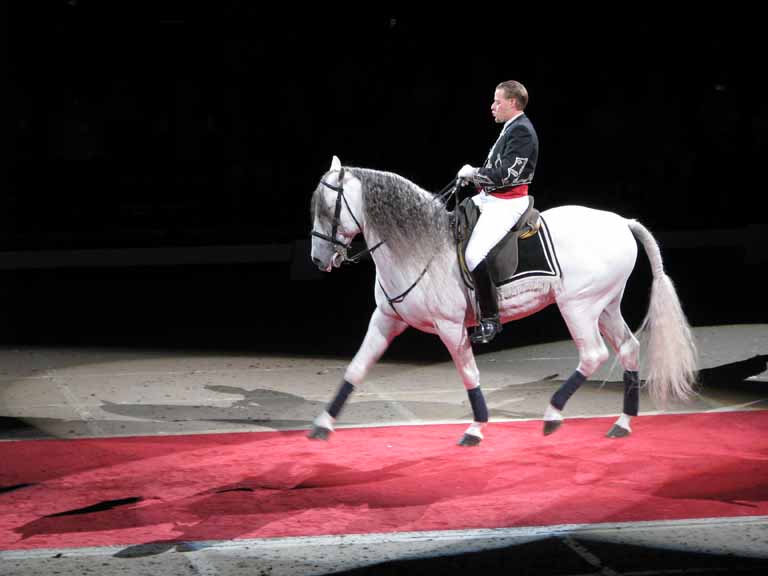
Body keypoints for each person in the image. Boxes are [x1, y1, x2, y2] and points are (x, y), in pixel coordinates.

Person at [457, 80, 539, 344]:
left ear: (512, 103)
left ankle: (490, 319)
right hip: (490, 199)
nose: (492, 106)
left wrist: (474, 173)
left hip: (508, 203)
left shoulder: (523, 132)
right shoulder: (510, 129)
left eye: (497, 101)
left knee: (473, 254)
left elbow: (507, 175)